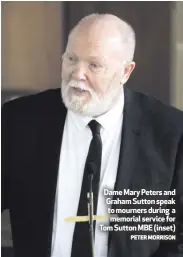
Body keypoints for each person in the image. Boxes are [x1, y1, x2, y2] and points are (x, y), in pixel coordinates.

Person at [2, 13, 183, 257]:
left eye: (94, 65)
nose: (77, 74)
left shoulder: (170, 132)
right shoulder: (18, 120)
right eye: (71, 59)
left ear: (125, 72)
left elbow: (178, 239)